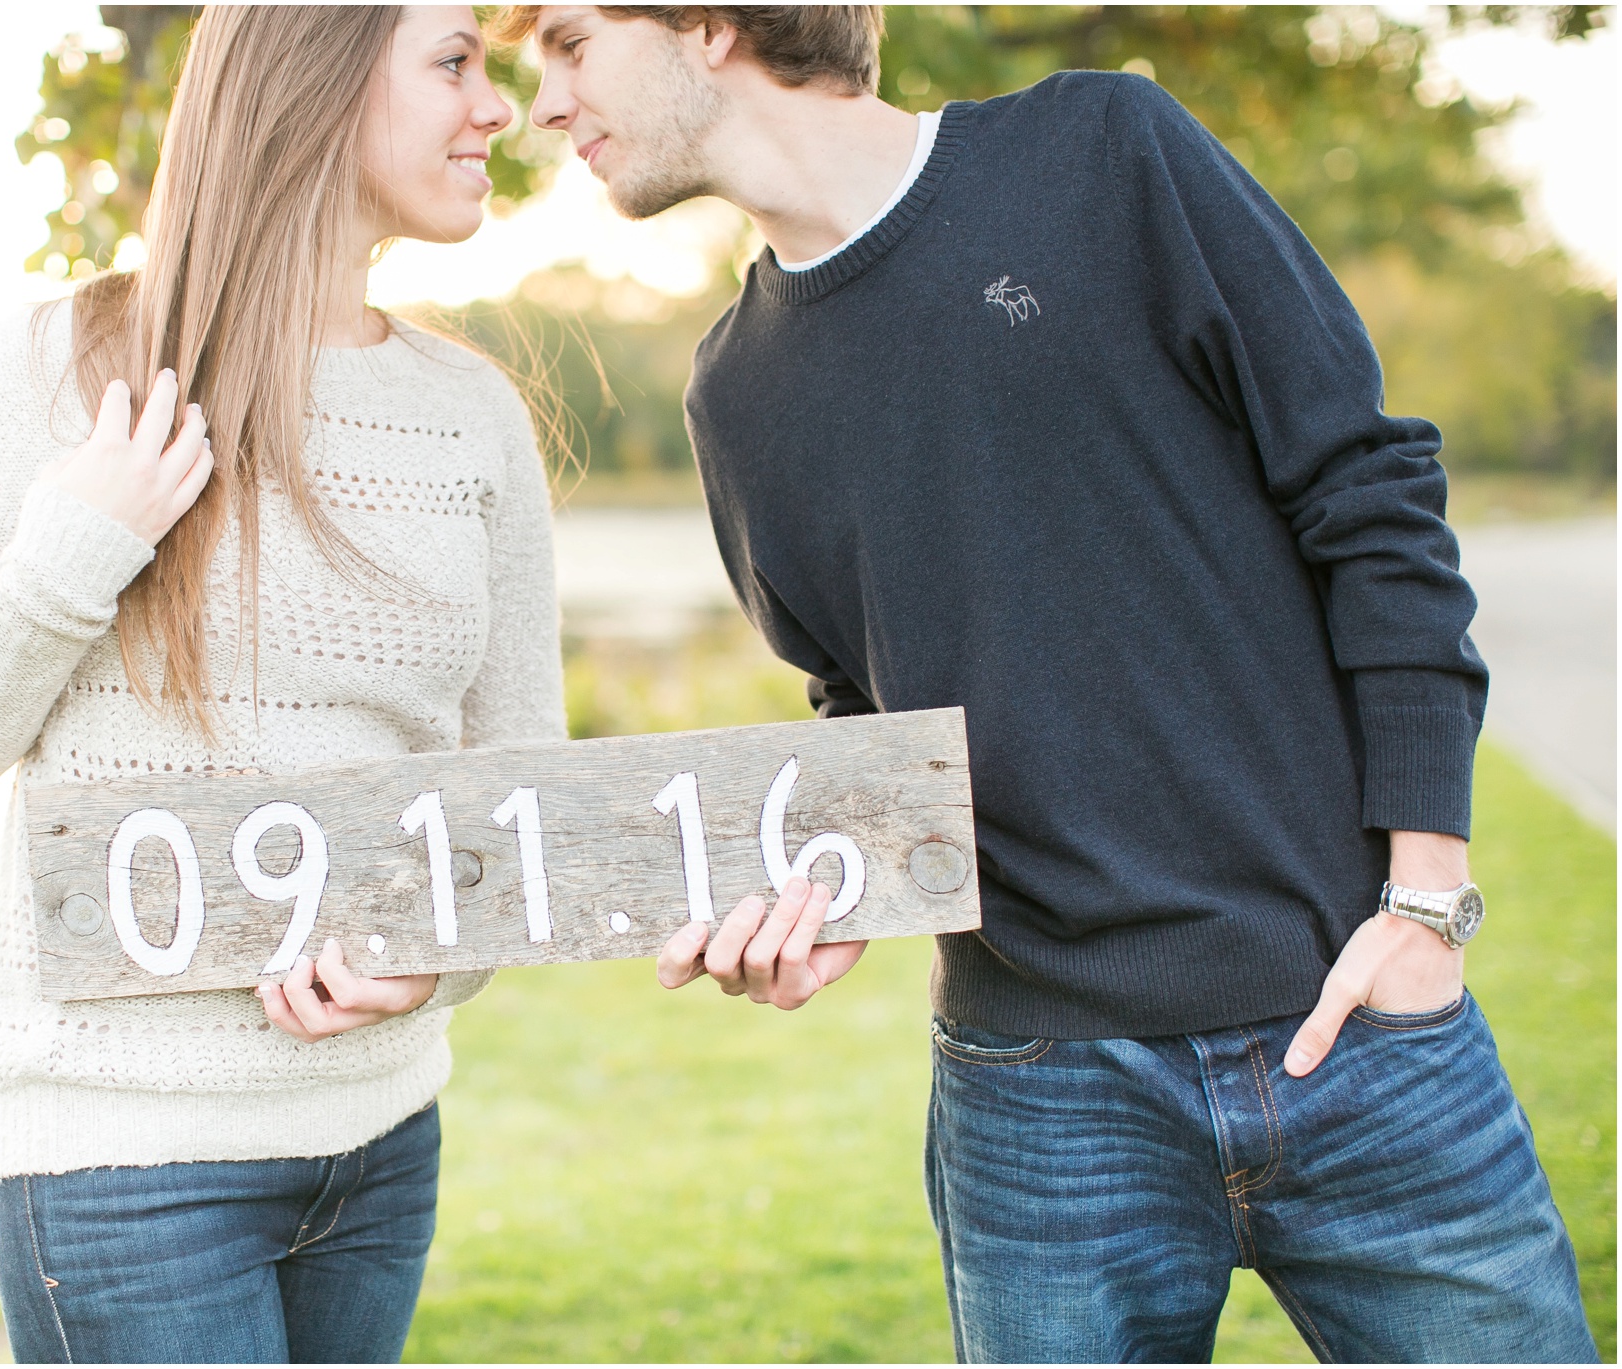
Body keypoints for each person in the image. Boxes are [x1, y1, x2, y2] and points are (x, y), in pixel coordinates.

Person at [502, 5, 1598, 1362]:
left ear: (708, 26)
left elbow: (1369, 497)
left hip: (1359, 1018)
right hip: (1037, 1104)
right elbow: (866, 704)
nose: (541, 102)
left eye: (563, 40)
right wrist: (849, 889)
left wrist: (1427, 899)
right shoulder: (735, 395)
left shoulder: (1106, 155)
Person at [0, 7, 564, 1362]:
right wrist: (77, 548)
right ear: (312, 77)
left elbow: (513, 789)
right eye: (455, 60)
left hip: (379, 1144)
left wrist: (437, 965)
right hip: (126, 1160)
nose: (498, 105)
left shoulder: (476, 414)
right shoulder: (57, 364)